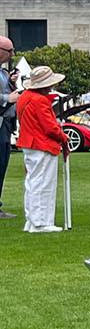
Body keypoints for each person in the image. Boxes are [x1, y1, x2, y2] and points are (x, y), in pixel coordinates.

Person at [16, 65, 69, 233]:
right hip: (41, 144)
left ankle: (32, 220)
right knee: (43, 183)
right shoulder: (39, 100)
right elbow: (50, 128)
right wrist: (63, 137)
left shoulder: (25, 96)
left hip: (29, 143)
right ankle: (41, 222)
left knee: (33, 182)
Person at [0, 36, 18, 218]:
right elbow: (6, 97)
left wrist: (12, 82)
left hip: (5, 125)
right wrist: (7, 98)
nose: (12, 55)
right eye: (9, 51)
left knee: (2, 165)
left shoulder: (4, 73)